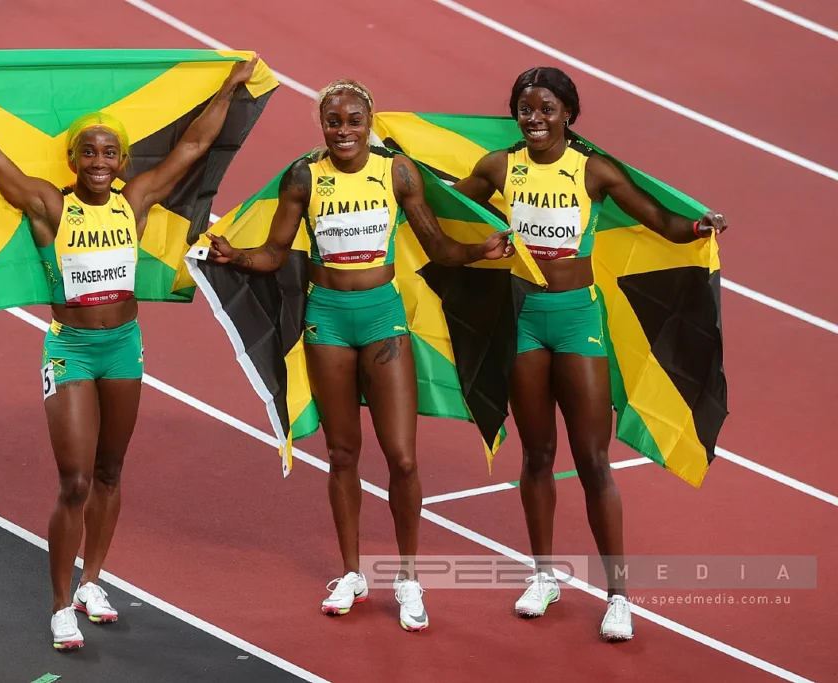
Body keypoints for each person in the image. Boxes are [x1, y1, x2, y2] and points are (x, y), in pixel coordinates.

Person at [0, 52, 259, 651]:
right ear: (72, 159)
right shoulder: (48, 205)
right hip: (72, 352)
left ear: (121, 161)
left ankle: (93, 581)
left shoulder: (133, 201)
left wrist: (230, 86)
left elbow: (191, 149)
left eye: (109, 152)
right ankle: (60, 605)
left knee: (111, 473)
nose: (98, 161)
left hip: (125, 347)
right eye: (88, 151)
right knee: (75, 481)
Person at [204, 78, 515, 632]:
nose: (343, 130)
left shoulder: (396, 173)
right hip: (328, 320)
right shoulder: (304, 177)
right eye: (333, 121)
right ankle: (352, 573)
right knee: (343, 453)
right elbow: (277, 252)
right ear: (321, 126)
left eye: (352, 120)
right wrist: (236, 256)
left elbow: (435, 243)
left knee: (403, 458)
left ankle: (409, 578)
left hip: (382, 320)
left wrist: (478, 250)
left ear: (369, 121)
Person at [453, 66, 728, 641]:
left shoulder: (593, 170)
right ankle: (544, 576)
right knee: (535, 456)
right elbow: (449, 208)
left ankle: (619, 596)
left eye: (547, 109)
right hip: (524, 320)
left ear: (569, 114)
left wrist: (698, 226)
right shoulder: (499, 167)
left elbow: (658, 219)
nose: (535, 119)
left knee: (593, 461)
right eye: (525, 109)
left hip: (578, 321)